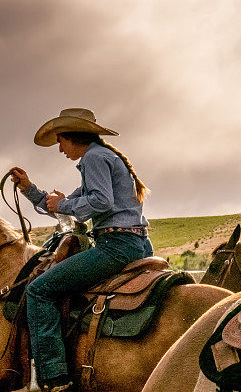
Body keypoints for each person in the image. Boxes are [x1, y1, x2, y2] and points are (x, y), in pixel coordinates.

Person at [9, 108, 153, 392]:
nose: (60, 149)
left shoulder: (94, 158)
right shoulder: (105, 157)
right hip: (137, 243)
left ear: (72, 137)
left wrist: (63, 205)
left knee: (39, 290)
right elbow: (65, 208)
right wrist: (29, 189)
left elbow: (99, 202)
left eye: (60, 141)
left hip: (116, 246)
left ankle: (53, 378)